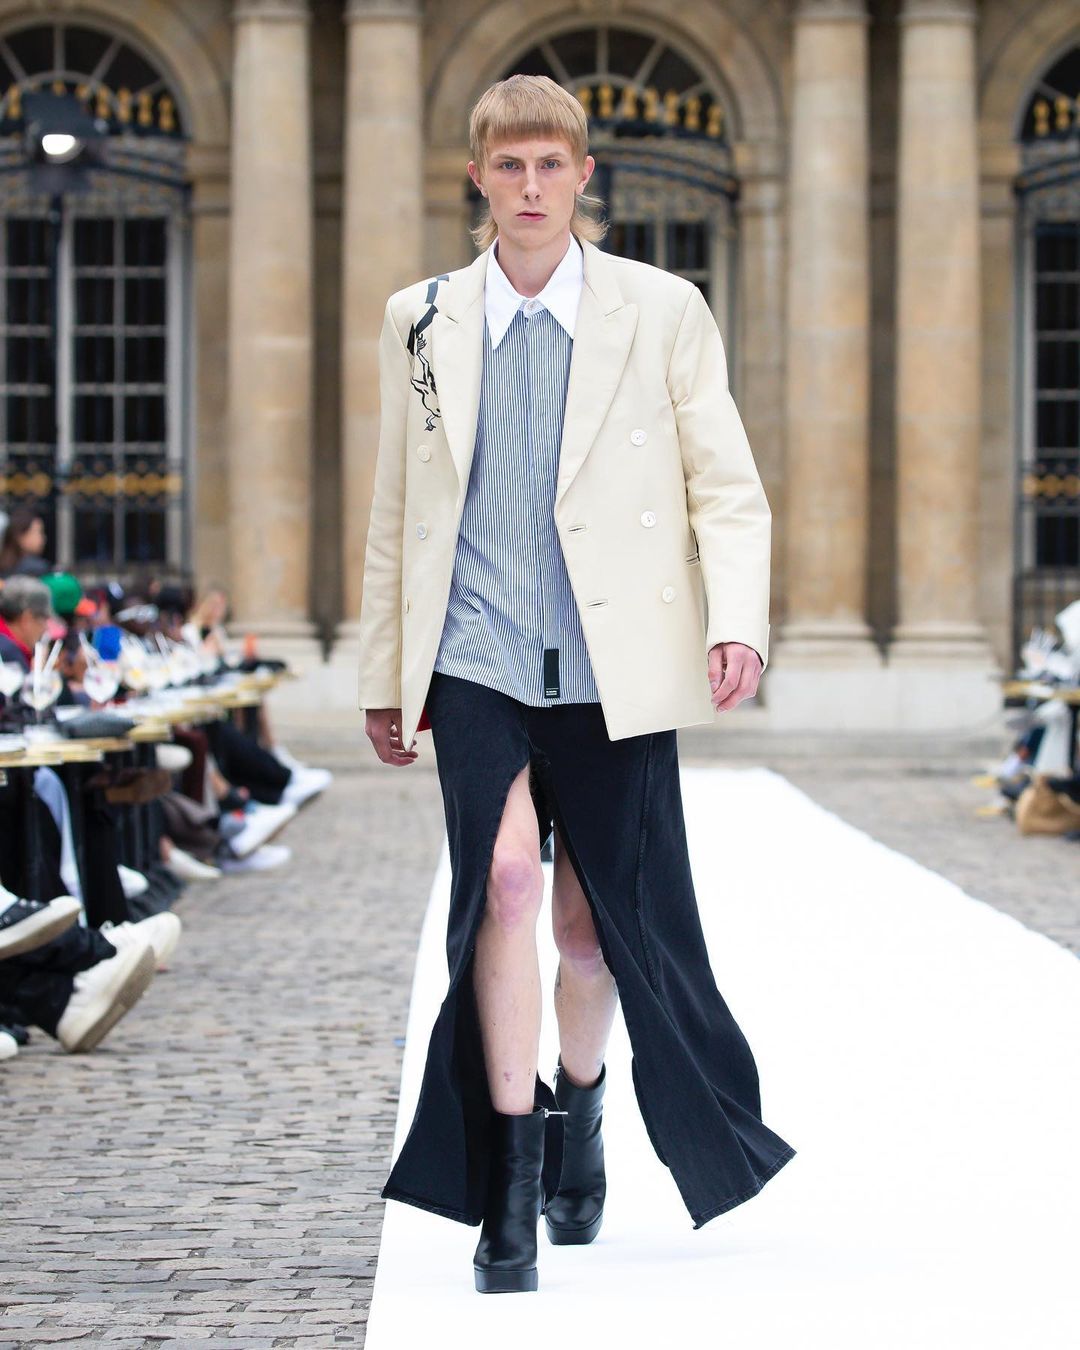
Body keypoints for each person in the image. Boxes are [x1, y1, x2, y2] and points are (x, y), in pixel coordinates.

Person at [357, 73, 796, 1294]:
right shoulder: (420, 318)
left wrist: (737, 621)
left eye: (551, 164)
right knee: (502, 887)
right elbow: (399, 503)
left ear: (583, 174)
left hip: (615, 657)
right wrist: (386, 669)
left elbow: (726, 483)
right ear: (478, 177)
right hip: (478, 650)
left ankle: (579, 1110)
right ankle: (505, 1194)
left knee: (589, 932)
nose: (531, 186)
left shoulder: (661, 309)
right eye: (510, 166)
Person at [0, 506, 51, 579]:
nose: (43, 538)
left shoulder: (4, 565)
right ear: (20, 536)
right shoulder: (36, 568)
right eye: (39, 532)